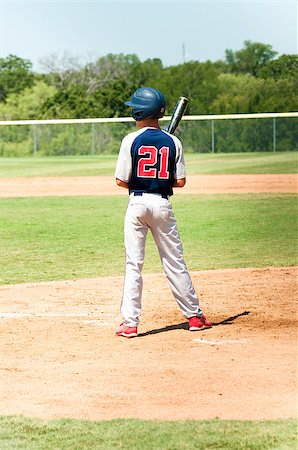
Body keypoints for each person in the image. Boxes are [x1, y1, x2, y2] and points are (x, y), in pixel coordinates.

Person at [115, 87, 212, 338]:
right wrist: (160, 179)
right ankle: (194, 316)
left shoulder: (130, 140)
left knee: (133, 264)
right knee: (174, 261)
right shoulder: (173, 141)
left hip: (136, 205)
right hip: (162, 205)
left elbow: (121, 180)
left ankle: (130, 323)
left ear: (138, 112)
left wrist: (142, 180)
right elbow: (180, 182)